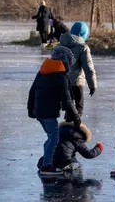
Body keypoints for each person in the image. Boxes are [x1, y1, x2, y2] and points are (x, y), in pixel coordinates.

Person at [28, 46, 81, 176]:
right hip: (48, 113)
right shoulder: (60, 77)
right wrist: (76, 117)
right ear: (64, 61)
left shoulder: (42, 72)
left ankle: (46, 161)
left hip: (40, 112)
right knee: (54, 138)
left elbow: (32, 91)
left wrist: (31, 110)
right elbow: (67, 100)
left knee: (52, 137)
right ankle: (46, 166)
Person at [59, 22, 97, 120]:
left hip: (63, 83)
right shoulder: (83, 47)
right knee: (78, 109)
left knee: (69, 108)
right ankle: (74, 128)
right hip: (76, 83)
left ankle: (67, 126)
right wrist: (92, 85)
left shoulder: (61, 45)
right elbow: (88, 67)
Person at [36, 121, 103, 172]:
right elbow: (88, 154)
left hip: (50, 160)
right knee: (77, 163)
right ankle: (64, 166)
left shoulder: (57, 132)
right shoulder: (78, 137)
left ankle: (49, 165)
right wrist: (99, 148)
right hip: (64, 161)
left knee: (61, 154)